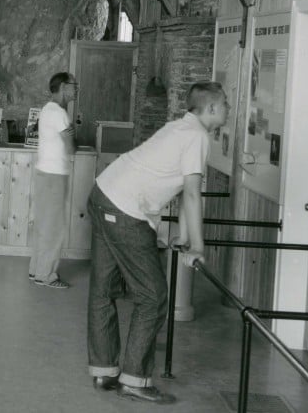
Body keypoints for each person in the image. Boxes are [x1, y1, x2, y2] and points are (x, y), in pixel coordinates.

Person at [86, 82, 229, 404]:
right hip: (125, 209)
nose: (229, 110)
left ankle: (103, 370)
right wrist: (198, 248)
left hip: (101, 194)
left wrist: (183, 235)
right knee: (152, 296)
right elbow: (192, 193)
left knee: (103, 291)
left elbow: (174, 185)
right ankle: (134, 379)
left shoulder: (179, 126)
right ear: (210, 109)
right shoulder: (197, 136)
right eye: (225, 105)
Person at [29, 72, 78, 289]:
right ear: (63, 87)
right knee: (54, 227)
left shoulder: (47, 109)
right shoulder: (58, 113)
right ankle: (46, 275)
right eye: (74, 85)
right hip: (55, 175)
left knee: (43, 225)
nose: (76, 89)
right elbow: (70, 147)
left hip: (44, 173)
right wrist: (72, 136)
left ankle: (36, 270)